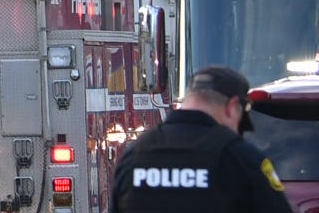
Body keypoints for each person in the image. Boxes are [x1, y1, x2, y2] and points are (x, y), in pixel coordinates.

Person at [110, 66, 292, 213]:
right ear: (232, 106)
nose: (238, 130)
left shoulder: (134, 155)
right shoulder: (240, 158)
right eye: (241, 120)